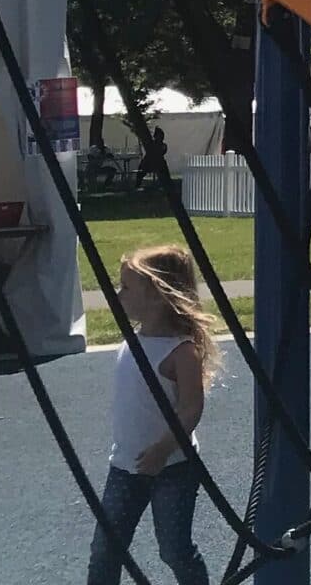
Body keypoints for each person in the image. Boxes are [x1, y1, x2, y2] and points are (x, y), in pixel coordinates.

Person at [85, 245, 220, 585]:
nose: (119, 294)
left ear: (158, 296)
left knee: (174, 549)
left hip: (173, 467)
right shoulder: (132, 339)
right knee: (105, 548)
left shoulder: (180, 351)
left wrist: (163, 448)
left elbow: (191, 407)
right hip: (125, 465)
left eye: (127, 288)